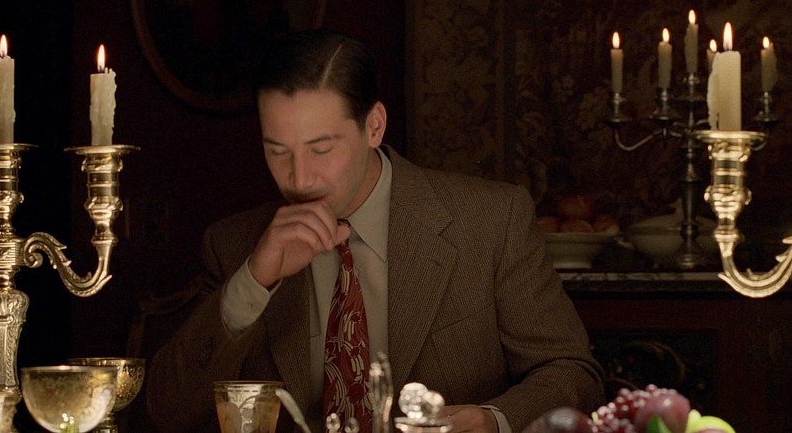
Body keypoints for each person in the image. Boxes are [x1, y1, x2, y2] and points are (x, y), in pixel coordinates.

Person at [146, 28, 604, 433]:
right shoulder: (233, 246)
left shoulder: (490, 222)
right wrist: (253, 280)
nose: (299, 178)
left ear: (374, 126)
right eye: (277, 151)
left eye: (321, 149)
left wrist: (495, 420)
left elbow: (573, 373)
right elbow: (168, 413)